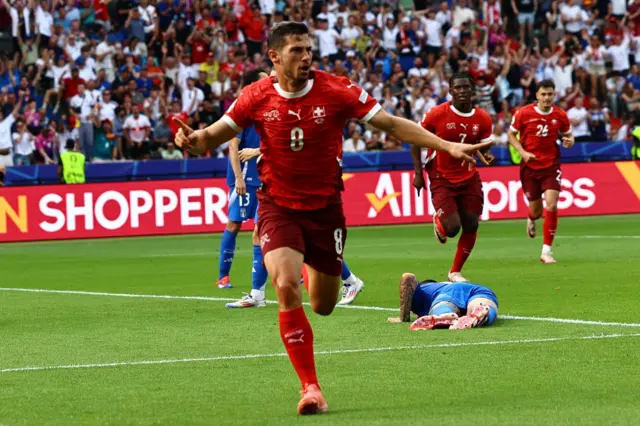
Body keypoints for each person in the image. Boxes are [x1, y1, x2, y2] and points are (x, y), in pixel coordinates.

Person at [174, 21, 491, 415]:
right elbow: (212, 135)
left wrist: (446, 145)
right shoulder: (255, 96)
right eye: (296, 50)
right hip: (277, 206)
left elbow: (391, 124)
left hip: (325, 211)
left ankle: (311, 263)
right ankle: (311, 388)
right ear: (274, 57)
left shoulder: (337, 90)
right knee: (286, 286)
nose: (306, 56)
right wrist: (192, 139)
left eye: (309, 49)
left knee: (322, 304)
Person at [411, 73, 494, 283]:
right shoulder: (437, 114)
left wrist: (486, 155)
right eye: (458, 88)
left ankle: (455, 271)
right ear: (451, 91)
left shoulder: (483, 118)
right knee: (452, 228)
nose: (463, 91)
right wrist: (418, 174)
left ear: (472, 90)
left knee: (472, 224)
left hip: (469, 176)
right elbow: (413, 139)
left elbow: (483, 145)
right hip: (441, 176)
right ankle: (439, 220)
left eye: (466, 87)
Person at [507, 80, 575, 264]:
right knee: (536, 210)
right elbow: (511, 134)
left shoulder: (560, 115)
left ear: (554, 95)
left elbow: (569, 135)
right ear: (537, 95)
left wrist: (570, 141)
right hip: (529, 167)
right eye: (543, 94)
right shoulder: (524, 113)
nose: (546, 98)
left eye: (550, 94)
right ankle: (531, 218)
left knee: (551, 205)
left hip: (551, 166)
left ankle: (546, 251)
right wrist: (522, 152)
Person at [217, 69, 269, 296]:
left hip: (266, 176)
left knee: (264, 228)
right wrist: (238, 177)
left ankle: (270, 278)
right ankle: (223, 276)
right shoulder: (242, 107)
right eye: (264, 78)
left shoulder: (270, 104)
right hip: (245, 177)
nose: (269, 81)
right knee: (234, 224)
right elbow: (232, 145)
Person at [386, 273, 498, 330]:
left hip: (446, 293)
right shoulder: (442, 285)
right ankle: (482, 313)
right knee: (486, 307)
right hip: (479, 290)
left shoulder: (425, 289)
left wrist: (403, 317)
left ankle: (445, 315)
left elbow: (407, 277)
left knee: (443, 308)